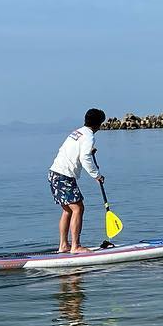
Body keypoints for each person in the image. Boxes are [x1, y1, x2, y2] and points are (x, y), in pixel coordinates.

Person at [47, 108, 106, 253]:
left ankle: (63, 245)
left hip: (54, 173)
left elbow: (74, 149)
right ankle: (75, 246)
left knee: (68, 210)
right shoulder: (89, 136)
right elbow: (85, 158)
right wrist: (96, 175)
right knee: (78, 208)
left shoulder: (77, 132)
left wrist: (89, 151)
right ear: (98, 124)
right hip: (64, 175)